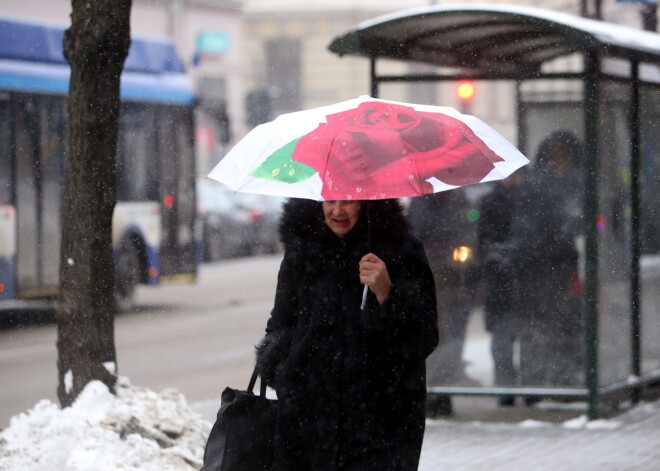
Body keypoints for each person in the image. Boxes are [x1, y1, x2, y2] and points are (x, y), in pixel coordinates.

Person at [255, 197, 439, 470]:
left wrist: (386, 292)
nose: (337, 210)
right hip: (308, 421)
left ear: (367, 202)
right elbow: (280, 325)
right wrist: (286, 376)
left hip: (382, 422)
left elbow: (424, 337)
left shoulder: (402, 250)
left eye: (349, 201)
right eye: (329, 200)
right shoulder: (303, 251)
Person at [408, 189, 481, 416]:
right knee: (438, 330)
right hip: (432, 269)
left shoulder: (458, 200)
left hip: (454, 272)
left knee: (450, 329)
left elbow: (469, 225)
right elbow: (419, 228)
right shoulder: (422, 202)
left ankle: (442, 387)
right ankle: (435, 391)